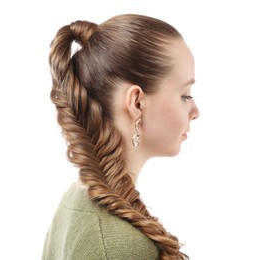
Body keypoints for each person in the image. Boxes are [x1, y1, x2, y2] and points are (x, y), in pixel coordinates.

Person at [42, 14, 200, 260]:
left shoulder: (76, 200)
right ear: (136, 102)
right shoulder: (119, 248)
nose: (195, 111)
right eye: (185, 95)